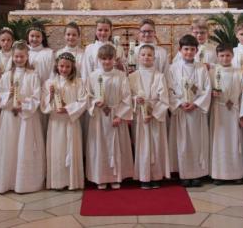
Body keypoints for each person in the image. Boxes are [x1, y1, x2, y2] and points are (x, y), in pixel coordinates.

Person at [0, 41, 45, 194]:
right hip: (9, 117)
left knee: (24, 146)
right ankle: (6, 182)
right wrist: (9, 98)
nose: (19, 59)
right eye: (16, 57)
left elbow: (36, 97)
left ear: (27, 57)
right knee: (9, 147)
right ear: (12, 57)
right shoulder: (7, 75)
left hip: (26, 119)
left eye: (22, 57)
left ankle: (24, 183)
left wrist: (22, 105)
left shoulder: (33, 76)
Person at [86, 44, 134, 190]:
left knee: (117, 146)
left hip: (116, 116)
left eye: (109, 58)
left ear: (115, 59)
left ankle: (116, 176)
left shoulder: (121, 76)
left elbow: (127, 97)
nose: (106, 62)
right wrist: (95, 102)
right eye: (103, 59)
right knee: (100, 146)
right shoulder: (93, 76)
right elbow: (87, 96)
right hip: (99, 117)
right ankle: (101, 177)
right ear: (98, 59)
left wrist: (120, 116)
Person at [168, 34, 212, 187]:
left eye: (192, 49)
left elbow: (207, 89)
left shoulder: (202, 68)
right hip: (181, 111)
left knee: (196, 142)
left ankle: (197, 173)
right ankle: (183, 173)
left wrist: (196, 104)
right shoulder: (173, 68)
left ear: (197, 51)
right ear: (180, 50)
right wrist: (179, 103)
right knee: (182, 142)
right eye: (185, 49)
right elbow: (169, 90)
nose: (189, 52)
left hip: (196, 110)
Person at [41, 53, 88, 190]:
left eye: (67, 66)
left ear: (73, 67)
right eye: (61, 66)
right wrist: (50, 95)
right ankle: (57, 182)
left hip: (70, 121)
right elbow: (43, 105)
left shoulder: (78, 82)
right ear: (56, 66)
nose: (64, 69)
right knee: (57, 151)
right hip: (55, 122)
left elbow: (83, 101)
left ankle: (73, 182)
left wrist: (68, 109)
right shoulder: (49, 83)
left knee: (72, 149)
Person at [128, 45, 171, 189]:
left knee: (156, 145)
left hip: (155, 117)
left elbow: (164, 98)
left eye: (149, 55)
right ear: (138, 57)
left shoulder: (160, 76)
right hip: (140, 116)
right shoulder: (132, 76)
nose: (146, 57)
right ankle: (143, 177)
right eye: (143, 55)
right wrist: (135, 100)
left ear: (154, 58)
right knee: (142, 146)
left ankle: (156, 176)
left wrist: (152, 113)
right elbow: (127, 96)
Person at [208, 44, 243, 184]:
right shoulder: (212, 72)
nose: (225, 58)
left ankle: (235, 174)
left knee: (234, 142)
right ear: (217, 57)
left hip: (234, 111)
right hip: (218, 110)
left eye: (228, 55)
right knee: (219, 142)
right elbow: (206, 91)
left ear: (232, 56)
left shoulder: (239, 72)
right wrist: (212, 93)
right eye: (222, 56)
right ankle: (218, 174)